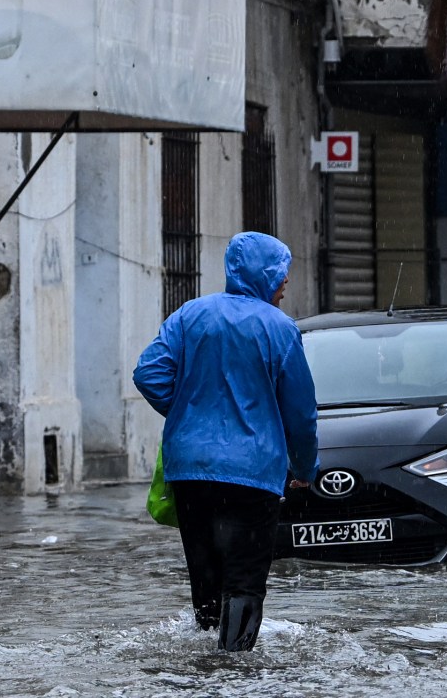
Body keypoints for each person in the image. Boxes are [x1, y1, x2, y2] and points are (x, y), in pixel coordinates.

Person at [133, 232, 317, 652]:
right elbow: (301, 414)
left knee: (207, 577)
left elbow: (148, 374)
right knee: (244, 581)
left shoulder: (190, 315)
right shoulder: (280, 330)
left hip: (191, 470)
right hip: (253, 474)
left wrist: (188, 415)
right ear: (267, 276)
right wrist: (305, 468)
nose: (284, 289)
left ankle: (202, 668)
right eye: (282, 281)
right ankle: (232, 671)